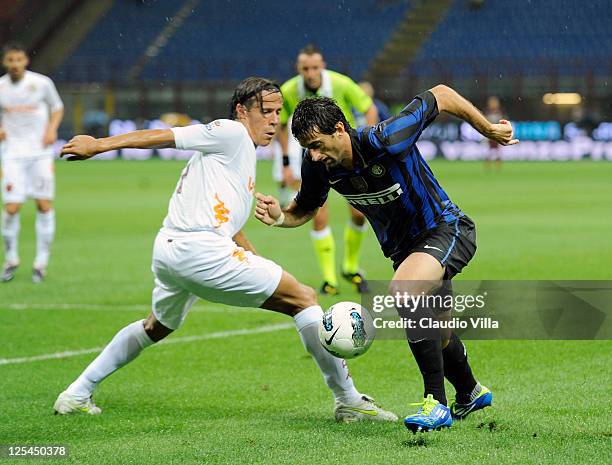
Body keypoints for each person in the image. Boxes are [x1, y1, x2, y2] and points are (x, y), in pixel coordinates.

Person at [53, 77, 397, 423]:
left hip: (171, 250)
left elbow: (231, 226)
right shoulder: (231, 133)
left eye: (279, 112)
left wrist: (257, 259)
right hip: (200, 250)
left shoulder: (235, 156)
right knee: (304, 299)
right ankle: (348, 400)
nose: (275, 119)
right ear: (241, 111)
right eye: (267, 112)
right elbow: (166, 136)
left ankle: (77, 393)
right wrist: (98, 145)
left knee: (156, 326)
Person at [255, 84, 518, 432]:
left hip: (447, 228)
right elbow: (304, 208)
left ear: (339, 130)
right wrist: (278, 216)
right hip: (404, 251)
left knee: (406, 292)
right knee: (436, 331)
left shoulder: (385, 138)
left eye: (317, 145)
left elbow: (441, 94)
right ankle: (469, 391)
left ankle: (435, 403)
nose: (314, 155)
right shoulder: (319, 165)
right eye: (308, 149)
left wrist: (487, 129)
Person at [277, 45, 378, 296]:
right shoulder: (289, 90)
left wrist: (369, 143)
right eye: (305, 68)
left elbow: (369, 109)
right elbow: (280, 126)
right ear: (298, 69)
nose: (310, 73)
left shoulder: (341, 84)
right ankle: (329, 279)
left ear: (323, 66)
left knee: (358, 213)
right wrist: (287, 164)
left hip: (347, 156)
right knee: (317, 213)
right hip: (314, 157)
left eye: (315, 67)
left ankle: (350, 267)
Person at [0, 43, 64, 283]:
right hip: (12, 153)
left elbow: (57, 108)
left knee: (43, 204)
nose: (15, 64)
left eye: (18, 59)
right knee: (11, 208)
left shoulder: (42, 83)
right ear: (5, 63)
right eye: (10, 60)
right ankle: (11, 259)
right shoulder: (1, 87)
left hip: (40, 153)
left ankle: (41, 262)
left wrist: (52, 129)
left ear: (25, 60)